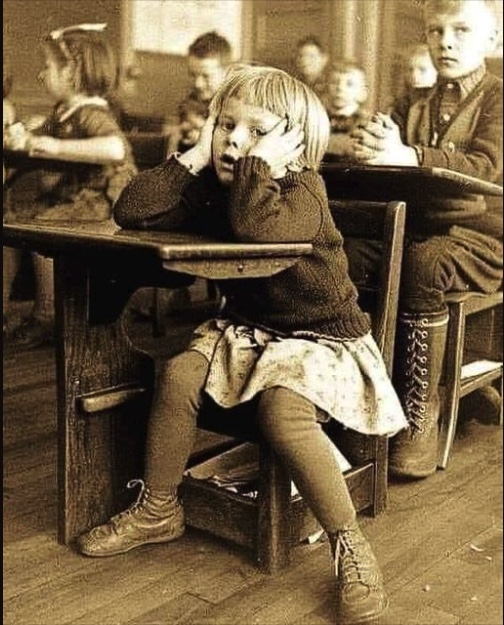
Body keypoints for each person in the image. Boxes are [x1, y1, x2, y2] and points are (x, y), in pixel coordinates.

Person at [75, 64, 407, 625]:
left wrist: (259, 167)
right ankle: (158, 508)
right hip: (253, 332)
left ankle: (348, 542)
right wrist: (194, 156)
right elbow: (131, 210)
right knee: (178, 371)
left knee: (283, 410)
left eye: (255, 131)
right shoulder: (218, 184)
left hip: (320, 339)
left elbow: (260, 231)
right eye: (225, 125)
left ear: (292, 146)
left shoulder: (303, 189)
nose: (233, 141)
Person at [350, 0, 503, 479]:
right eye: (436, 31)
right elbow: (386, 150)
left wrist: (408, 155)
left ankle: (419, 412)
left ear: (493, 40)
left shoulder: (499, 99)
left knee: (422, 263)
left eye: (461, 30)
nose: (446, 42)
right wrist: (372, 143)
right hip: (415, 231)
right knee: (345, 256)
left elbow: (485, 167)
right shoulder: (412, 100)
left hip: (482, 239)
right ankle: (356, 401)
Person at [3, 23, 137, 348]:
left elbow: (115, 149)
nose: (41, 75)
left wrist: (53, 146)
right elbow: (36, 138)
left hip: (100, 199)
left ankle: (48, 313)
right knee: (9, 224)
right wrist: (21, 136)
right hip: (70, 198)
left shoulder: (92, 113)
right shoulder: (63, 112)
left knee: (41, 230)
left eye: (48, 67)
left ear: (73, 72)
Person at [166, 30, 233, 155]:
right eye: (193, 75)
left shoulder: (236, 107)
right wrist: (177, 133)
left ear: (227, 72)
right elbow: (169, 138)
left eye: (206, 76)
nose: (198, 83)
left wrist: (205, 139)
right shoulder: (188, 102)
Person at [323, 59, 369, 163]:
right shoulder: (317, 120)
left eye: (349, 84)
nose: (340, 88)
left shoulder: (367, 123)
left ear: (363, 92)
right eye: (335, 82)